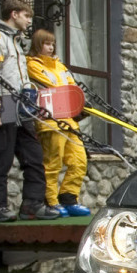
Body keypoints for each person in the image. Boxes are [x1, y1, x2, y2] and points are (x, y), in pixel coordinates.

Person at [0, 0, 57, 222]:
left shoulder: (16, 41)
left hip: (22, 109)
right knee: (1, 159)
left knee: (34, 156)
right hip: (3, 107)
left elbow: (20, 77)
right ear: (14, 14)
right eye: (27, 16)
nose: (29, 21)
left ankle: (32, 204)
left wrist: (31, 104)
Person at [27, 30, 90, 216]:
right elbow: (53, 89)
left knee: (79, 161)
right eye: (47, 44)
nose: (51, 47)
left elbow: (73, 88)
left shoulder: (60, 66)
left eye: (53, 44)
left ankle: (69, 197)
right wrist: (72, 98)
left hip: (69, 121)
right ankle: (51, 202)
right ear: (38, 45)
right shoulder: (32, 65)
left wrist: (79, 102)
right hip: (51, 121)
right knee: (53, 163)